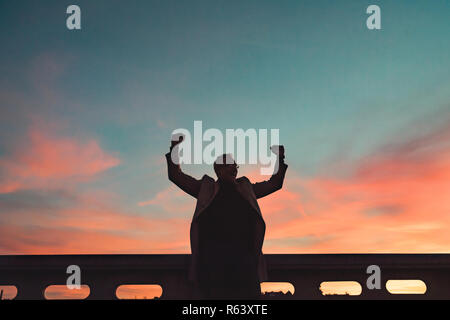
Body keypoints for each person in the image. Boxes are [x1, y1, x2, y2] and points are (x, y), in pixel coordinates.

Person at [165, 135, 288, 299]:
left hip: (245, 262)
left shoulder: (246, 188)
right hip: (213, 263)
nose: (234, 169)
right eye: (230, 165)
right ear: (218, 169)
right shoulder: (205, 188)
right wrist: (175, 149)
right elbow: (176, 176)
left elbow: (274, 184)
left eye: (235, 166)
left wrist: (279, 158)